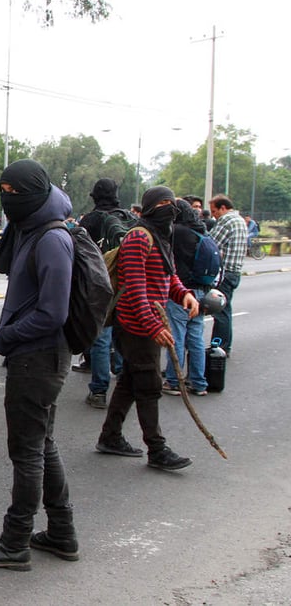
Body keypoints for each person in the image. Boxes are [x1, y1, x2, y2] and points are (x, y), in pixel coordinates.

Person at [0, 159, 78, 572]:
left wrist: (6, 336)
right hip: (37, 356)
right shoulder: (32, 228)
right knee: (42, 445)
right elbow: (10, 265)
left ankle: (14, 542)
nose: (6, 199)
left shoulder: (51, 239)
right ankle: (62, 533)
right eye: (2, 191)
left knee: (27, 451)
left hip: (38, 357)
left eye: (14, 193)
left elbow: (53, 312)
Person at [96, 186, 199, 472]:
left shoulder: (162, 237)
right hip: (134, 324)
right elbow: (135, 289)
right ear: (150, 206)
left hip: (147, 321)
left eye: (171, 202)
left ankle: (110, 436)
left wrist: (184, 294)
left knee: (130, 381)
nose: (168, 207)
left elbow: (169, 276)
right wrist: (152, 325)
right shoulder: (138, 238)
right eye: (162, 203)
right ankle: (157, 448)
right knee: (150, 384)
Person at [78, 178, 136, 408]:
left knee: (101, 336)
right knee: (122, 333)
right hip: (128, 283)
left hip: (100, 284)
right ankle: (122, 379)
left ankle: (99, 391)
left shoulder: (91, 220)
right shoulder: (130, 219)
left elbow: (81, 253)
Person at [161, 200, 212, 396]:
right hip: (201, 290)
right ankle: (199, 382)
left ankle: (173, 380)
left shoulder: (177, 232)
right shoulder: (201, 230)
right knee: (196, 338)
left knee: (176, 335)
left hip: (181, 291)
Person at [208, 194, 247, 355]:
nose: (213, 216)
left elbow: (211, 243)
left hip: (224, 273)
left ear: (223, 208)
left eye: (214, 211)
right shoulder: (240, 221)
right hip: (235, 271)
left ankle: (220, 347)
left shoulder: (227, 221)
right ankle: (225, 345)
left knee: (220, 312)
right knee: (226, 311)